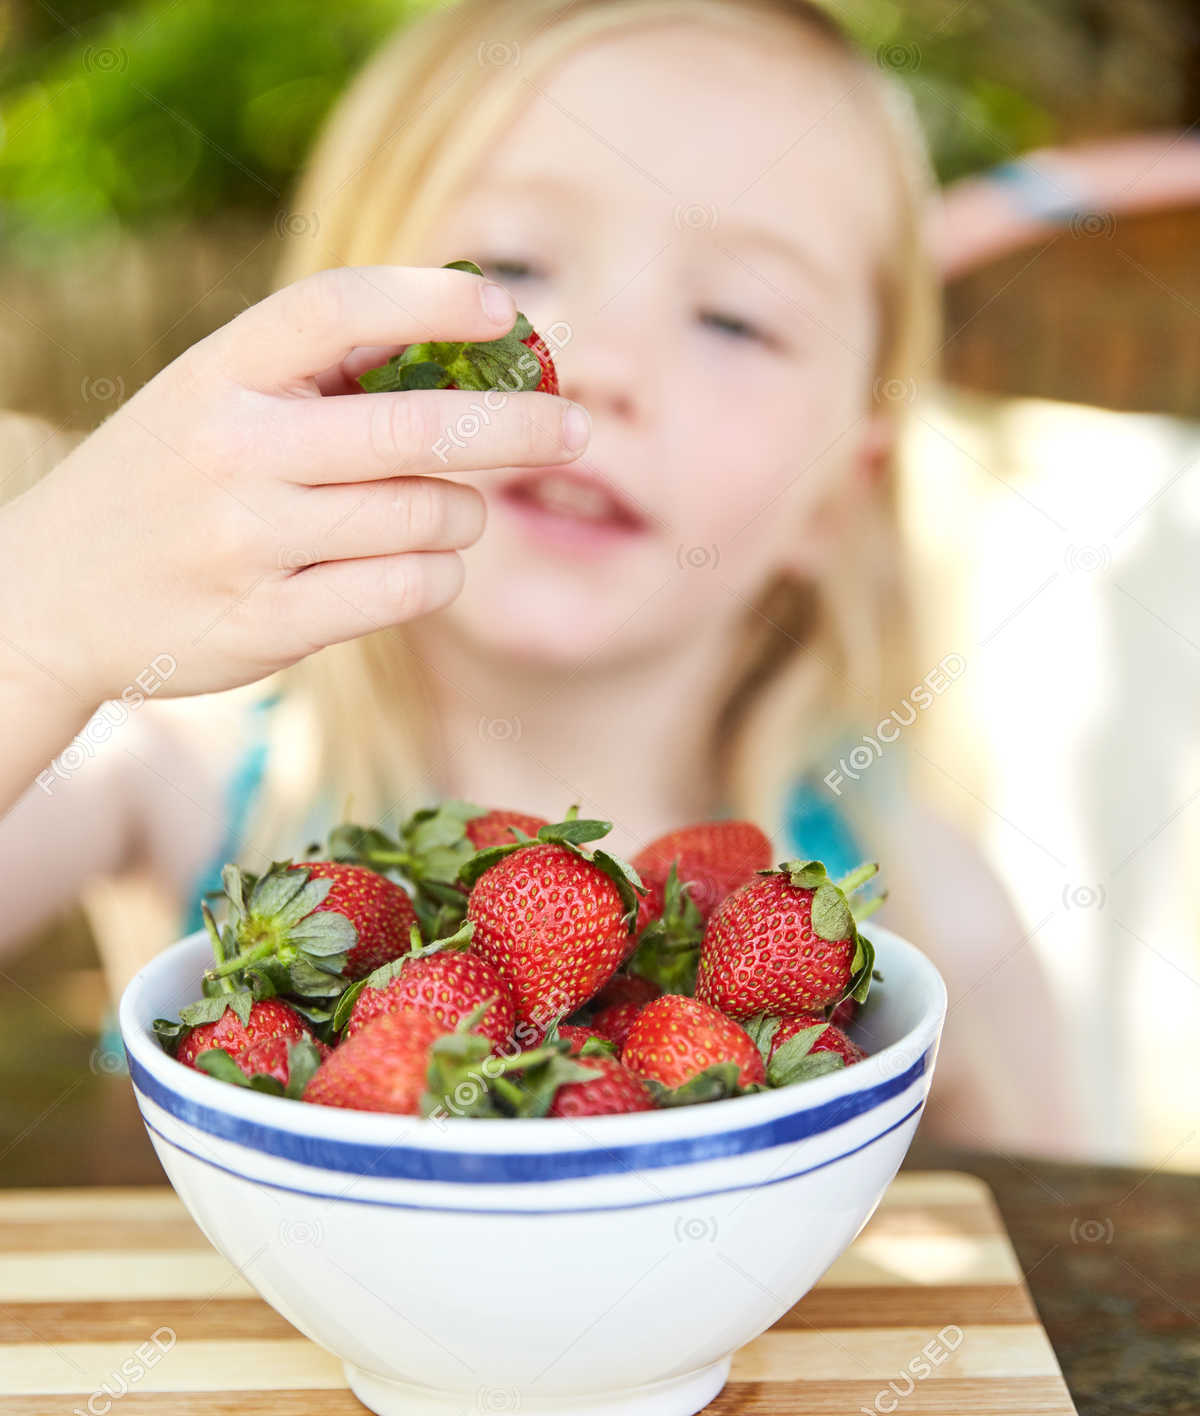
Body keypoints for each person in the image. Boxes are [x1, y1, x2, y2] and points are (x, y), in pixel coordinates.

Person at [0, 0, 1077, 1151]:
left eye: (734, 319)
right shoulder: (166, 757)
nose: (600, 363)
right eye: (507, 264)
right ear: (335, 353)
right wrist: (40, 624)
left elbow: (1068, 1244)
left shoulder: (917, 889)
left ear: (840, 492)